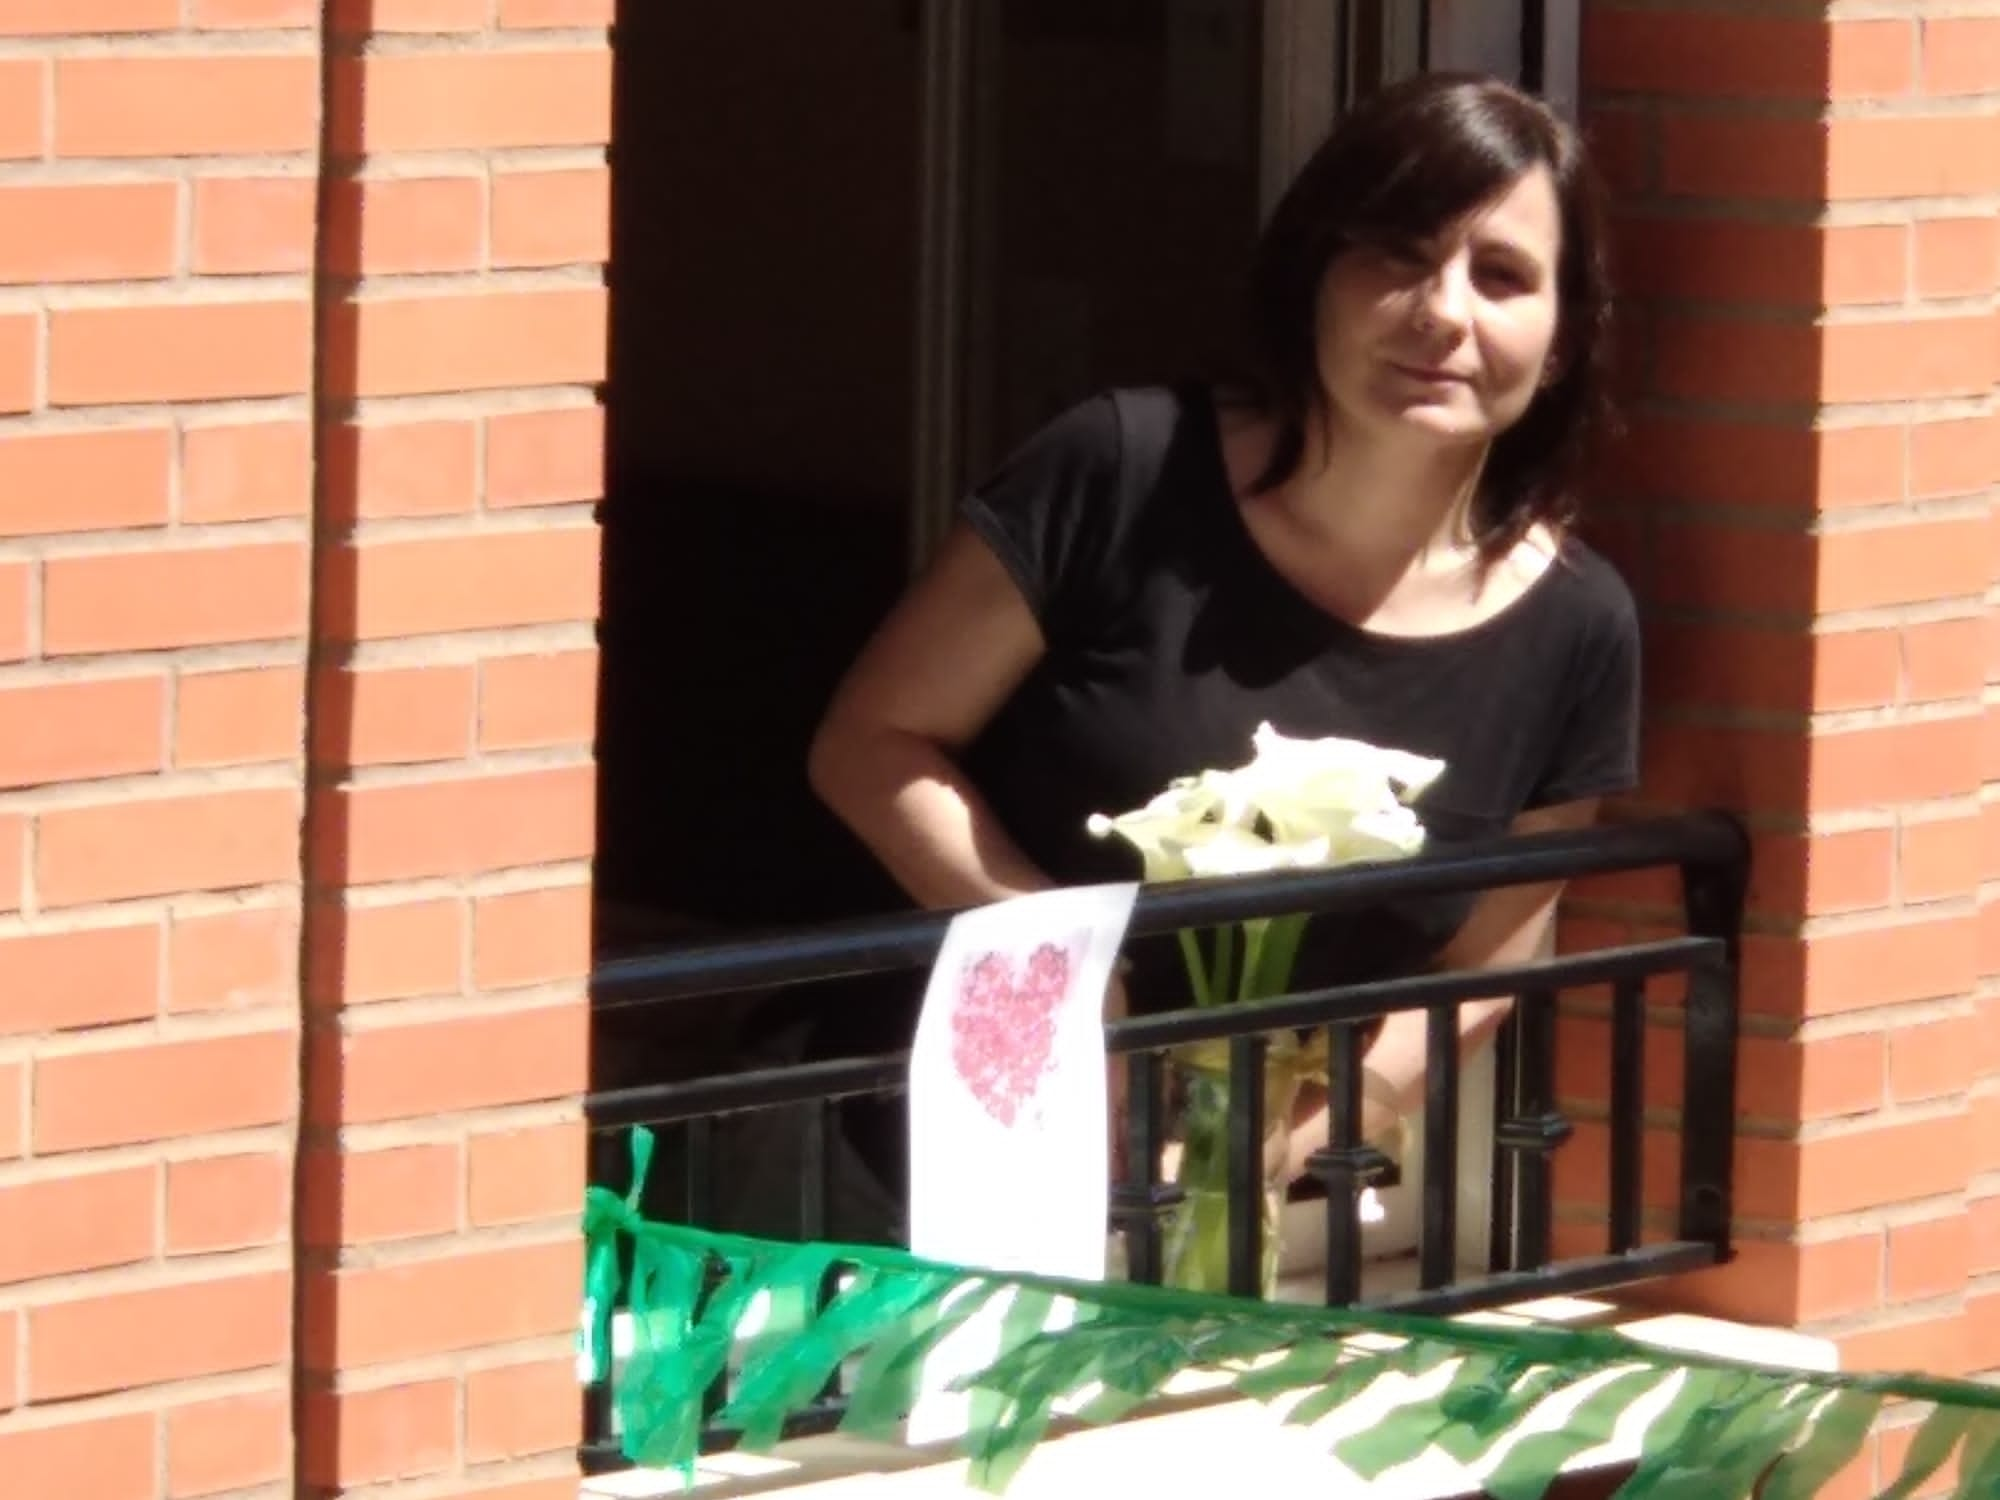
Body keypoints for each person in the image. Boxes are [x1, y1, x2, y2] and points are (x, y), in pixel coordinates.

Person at [807, 72, 1638, 1194]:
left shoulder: (1577, 629)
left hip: (1225, 1236)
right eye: (1396, 254)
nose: (1443, 312)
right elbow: (871, 744)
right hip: (920, 1157)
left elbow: (1476, 968)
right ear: (1312, 279)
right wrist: (1055, 967)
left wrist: (1256, 1159)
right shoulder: (1122, 469)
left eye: (1500, 276)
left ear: (1559, 341)